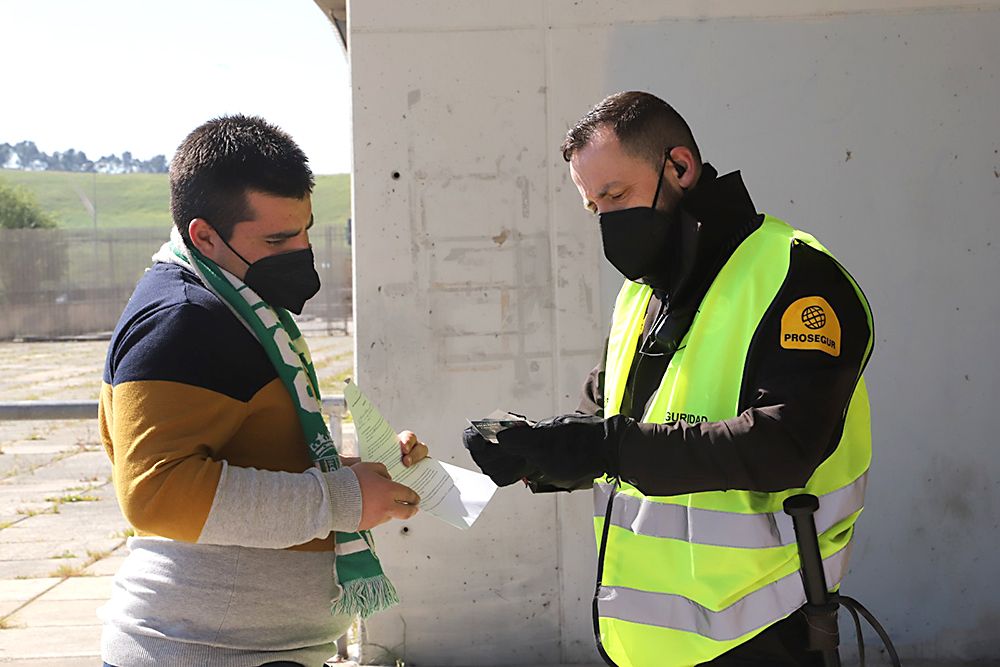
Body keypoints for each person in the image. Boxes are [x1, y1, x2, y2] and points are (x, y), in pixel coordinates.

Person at [465, 91, 874, 667]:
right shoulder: (642, 295)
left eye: (616, 195)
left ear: (679, 167)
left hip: (763, 634)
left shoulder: (795, 274)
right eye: (593, 208)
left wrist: (603, 447)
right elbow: (615, 429)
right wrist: (537, 452)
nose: (607, 221)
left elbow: (785, 445)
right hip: (644, 645)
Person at [98, 115, 426, 666]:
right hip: (205, 652)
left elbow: (248, 455)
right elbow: (156, 493)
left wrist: (362, 471)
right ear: (204, 235)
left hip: (253, 649)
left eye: (305, 230)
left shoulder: (236, 303)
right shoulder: (182, 320)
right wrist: (344, 499)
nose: (300, 250)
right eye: (277, 239)